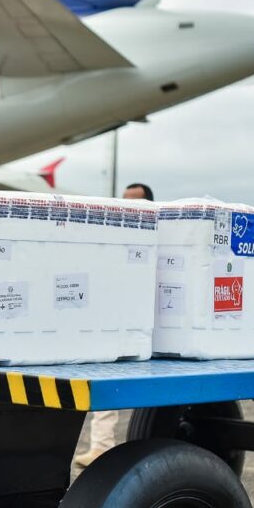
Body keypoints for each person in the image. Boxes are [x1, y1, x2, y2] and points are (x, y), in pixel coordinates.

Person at [74, 182, 154, 468]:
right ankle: (101, 446)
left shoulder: (158, 236)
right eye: (125, 199)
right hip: (123, 320)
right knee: (108, 377)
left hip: (151, 322)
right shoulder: (116, 235)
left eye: (135, 200)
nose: (128, 204)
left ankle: (153, 447)